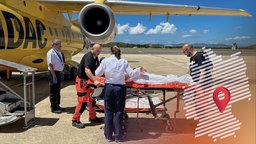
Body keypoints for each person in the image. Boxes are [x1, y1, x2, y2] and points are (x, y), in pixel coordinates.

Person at [95, 45, 146, 142]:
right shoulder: (123, 61)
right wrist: (139, 70)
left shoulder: (105, 61)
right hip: (120, 88)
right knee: (118, 112)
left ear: (110, 52)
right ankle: (118, 136)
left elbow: (97, 73)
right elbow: (131, 73)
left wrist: (105, 70)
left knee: (108, 112)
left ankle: (109, 136)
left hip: (109, 87)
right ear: (119, 52)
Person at [72, 44, 103, 129]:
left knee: (91, 100)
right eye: (97, 51)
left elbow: (97, 69)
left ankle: (92, 116)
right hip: (82, 82)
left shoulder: (95, 57)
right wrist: (95, 80)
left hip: (89, 81)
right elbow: (87, 70)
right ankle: (75, 119)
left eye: (99, 51)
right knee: (82, 102)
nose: (98, 53)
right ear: (92, 49)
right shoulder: (89, 57)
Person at [181, 43, 212, 117]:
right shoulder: (192, 57)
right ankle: (200, 120)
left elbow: (203, 71)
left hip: (204, 84)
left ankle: (203, 121)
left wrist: (199, 84)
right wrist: (183, 78)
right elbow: (191, 70)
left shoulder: (199, 56)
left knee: (200, 103)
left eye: (184, 52)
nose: (184, 54)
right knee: (197, 103)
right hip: (197, 84)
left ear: (188, 50)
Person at [46, 39, 64, 114]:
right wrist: (54, 76)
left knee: (57, 90)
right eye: (59, 45)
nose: (61, 46)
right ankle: (53, 107)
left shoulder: (58, 52)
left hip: (58, 73)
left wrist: (61, 71)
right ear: (55, 45)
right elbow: (51, 65)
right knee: (53, 91)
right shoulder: (51, 53)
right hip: (53, 73)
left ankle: (57, 105)